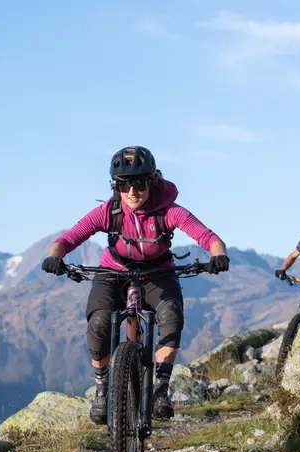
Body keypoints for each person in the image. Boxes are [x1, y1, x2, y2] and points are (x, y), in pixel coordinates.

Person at [42, 145, 229, 425]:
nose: (132, 191)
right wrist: (54, 257)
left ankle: (161, 390)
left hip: (157, 273)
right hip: (113, 273)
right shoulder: (109, 211)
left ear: (152, 182)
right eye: (123, 184)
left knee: (170, 314)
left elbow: (208, 236)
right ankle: (103, 390)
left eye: (139, 183)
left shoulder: (169, 211)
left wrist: (218, 255)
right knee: (99, 324)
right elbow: (67, 239)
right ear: (115, 186)